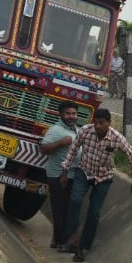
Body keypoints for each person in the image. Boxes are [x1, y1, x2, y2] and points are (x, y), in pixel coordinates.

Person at [59, 108, 132, 262]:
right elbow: (73, 149)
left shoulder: (116, 138)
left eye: (101, 123)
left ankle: (83, 248)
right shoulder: (85, 131)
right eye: (95, 122)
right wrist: (65, 170)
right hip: (84, 171)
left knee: (94, 212)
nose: (97, 126)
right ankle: (71, 238)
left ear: (109, 123)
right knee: (75, 200)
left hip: (104, 177)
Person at [40, 101, 81, 249]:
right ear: (61, 114)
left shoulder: (77, 130)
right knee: (59, 208)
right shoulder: (55, 130)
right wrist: (61, 143)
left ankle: (62, 239)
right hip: (57, 175)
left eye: (74, 114)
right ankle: (59, 240)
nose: (72, 116)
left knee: (69, 209)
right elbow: (44, 149)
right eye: (68, 114)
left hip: (73, 176)